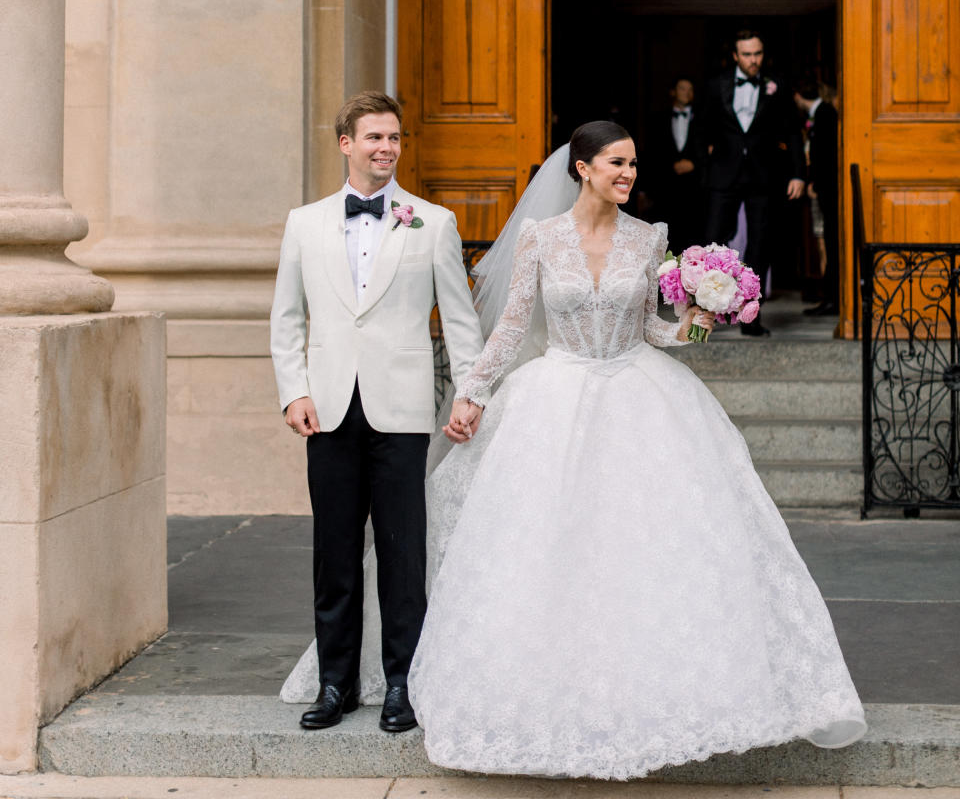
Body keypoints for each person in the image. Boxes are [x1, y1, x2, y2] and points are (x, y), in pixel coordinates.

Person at [407, 122, 865, 778]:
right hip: (555, 398)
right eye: (616, 163)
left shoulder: (649, 238)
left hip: (638, 389)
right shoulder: (540, 238)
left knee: (649, 548)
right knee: (548, 548)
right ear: (582, 169)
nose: (628, 173)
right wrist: (472, 393)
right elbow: (513, 327)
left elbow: (653, 325)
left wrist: (700, 326)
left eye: (632, 164)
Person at [269, 91, 486, 735]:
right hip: (328, 409)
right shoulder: (303, 223)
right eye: (374, 138)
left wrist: (469, 394)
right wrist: (293, 390)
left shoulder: (434, 222)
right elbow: (287, 318)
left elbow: (463, 323)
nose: (386, 148)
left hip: (402, 410)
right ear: (345, 143)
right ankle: (336, 683)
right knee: (333, 552)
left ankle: (402, 683)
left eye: (394, 138)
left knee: (401, 553)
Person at [698, 31, 805, 334]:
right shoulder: (715, 85)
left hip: (763, 176)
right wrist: (705, 171)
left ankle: (750, 316)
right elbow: (700, 130)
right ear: (735, 55)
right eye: (746, 54)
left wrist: (798, 173)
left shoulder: (777, 86)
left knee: (760, 245)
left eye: (757, 53)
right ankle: (705, 313)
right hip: (723, 174)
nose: (753, 60)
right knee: (712, 244)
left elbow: (793, 131)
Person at [794, 78, 840, 317]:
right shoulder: (821, 112)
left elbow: (825, 154)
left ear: (798, 96)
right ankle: (830, 298)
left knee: (831, 242)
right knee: (828, 242)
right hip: (824, 188)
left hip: (828, 190)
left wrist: (816, 183)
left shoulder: (824, 113)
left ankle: (834, 299)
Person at [649, 76, 702, 254]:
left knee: (692, 235)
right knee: (665, 237)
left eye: (690, 89)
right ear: (673, 92)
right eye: (682, 88)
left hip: (694, 187)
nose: (686, 93)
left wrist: (694, 164)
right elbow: (652, 152)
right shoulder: (658, 119)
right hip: (666, 186)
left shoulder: (702, 120)